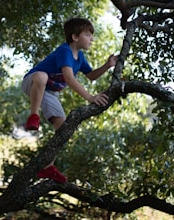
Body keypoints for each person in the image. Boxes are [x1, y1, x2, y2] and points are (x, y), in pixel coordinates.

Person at [21, 17, 118, 183]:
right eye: (88, 35)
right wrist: (90, 97)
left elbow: (91, 76)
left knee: (63, 126)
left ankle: (47, 167)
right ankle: (33, 116)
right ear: (75, 37)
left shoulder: (79, 57)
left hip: (50, 93)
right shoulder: (64, 51)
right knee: (42, 75)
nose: (91, 39)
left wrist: (107, 65)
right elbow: (69, 78)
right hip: (33, 83)